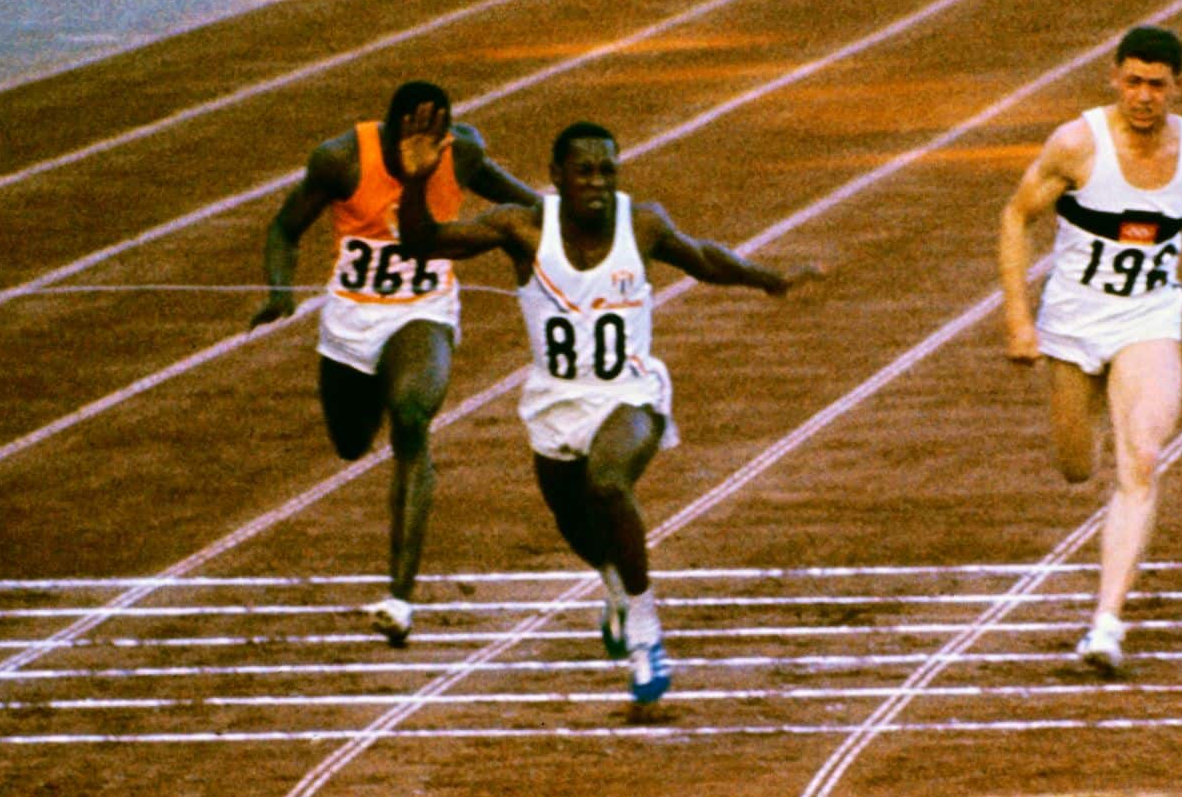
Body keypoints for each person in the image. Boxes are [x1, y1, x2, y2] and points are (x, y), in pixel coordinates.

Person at [392, 109, 811, 704]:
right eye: (584, 171)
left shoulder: (641, 224)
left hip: (631, 393)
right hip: (554, 401)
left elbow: (703, 258)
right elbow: (422, 241)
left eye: (607, 170)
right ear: (556, 176)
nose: (597, 182)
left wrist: (768, 278)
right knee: (575, 520)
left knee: (608, 482)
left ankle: (646, 630)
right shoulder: (522, 227)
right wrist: (414, 181)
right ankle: (614, 584)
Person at [999, 25, 1182, 674]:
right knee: (1076, 465)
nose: (1144, 96)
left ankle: (1106, 625)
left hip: (1149, 317)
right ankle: (1106, 616)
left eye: (1157, 85)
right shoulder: (1076, 144)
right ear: (1115, 78)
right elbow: (1014, 217)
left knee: (1141, 457)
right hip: (1072, 322)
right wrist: (1018, 321)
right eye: (1133, 81)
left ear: (1177, 88)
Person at [252, 81, 540, 646]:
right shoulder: (340, 159)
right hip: (350, 320)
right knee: (351, 443)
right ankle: (373, 399)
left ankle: (399, 597)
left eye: (438, 134)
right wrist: (280, 292)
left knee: (411, 418)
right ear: (388, 130)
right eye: (414, 135)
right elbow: (284, 228)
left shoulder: (463, 153)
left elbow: (528, 204)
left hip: (423, 312)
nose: (427, 146)